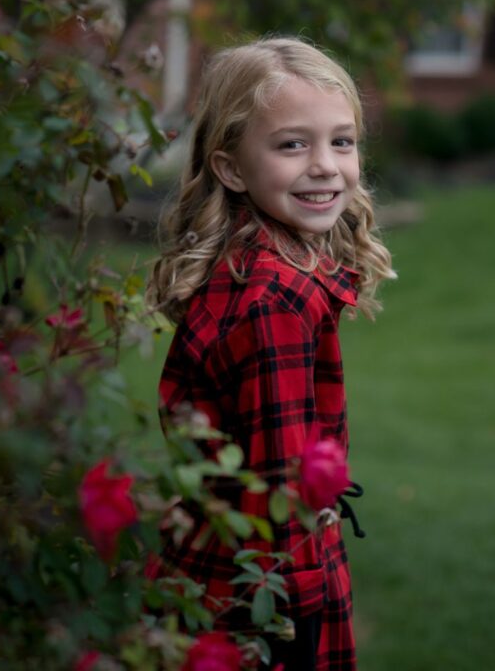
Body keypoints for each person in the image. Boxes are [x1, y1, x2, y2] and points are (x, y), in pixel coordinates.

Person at [147, 37, 395, 671]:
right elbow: (278, 480)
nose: (326, 165)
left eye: (342, 141)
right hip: (266, 596)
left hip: (223, 565)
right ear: (231, 168)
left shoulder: (261, 260)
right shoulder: (275, 299)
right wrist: (295, 615)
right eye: (292, 144)